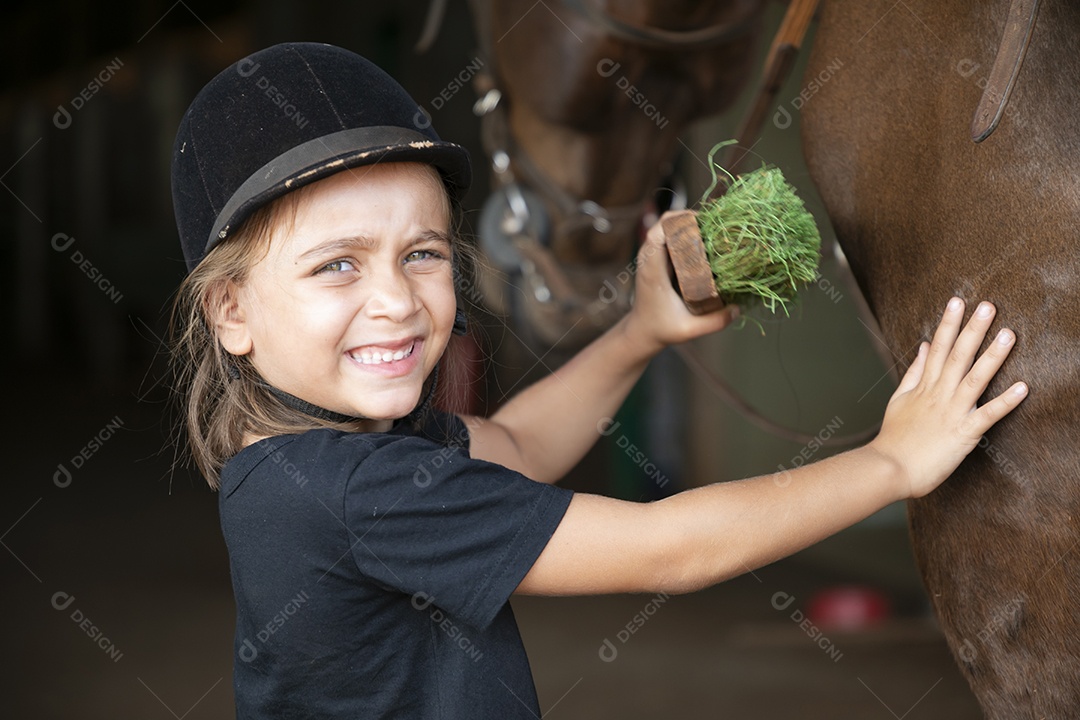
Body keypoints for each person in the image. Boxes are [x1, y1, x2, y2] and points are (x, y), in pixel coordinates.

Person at [168, 42, 1028, 718]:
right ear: (229, 311)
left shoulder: (307, 456)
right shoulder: (361, 491)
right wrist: (892, 464)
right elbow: (671, 549)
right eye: (336, 267)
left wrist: (641, 331)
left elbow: (519, 444)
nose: (396, 300)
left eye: (422, 253)